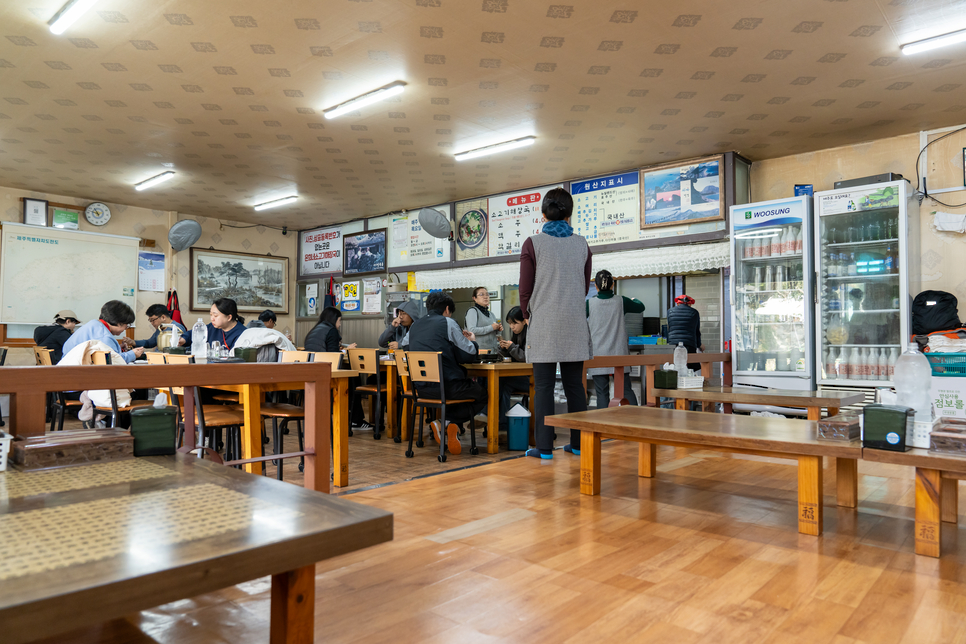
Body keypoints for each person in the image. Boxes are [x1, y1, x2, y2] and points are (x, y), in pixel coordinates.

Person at [519, 187, 592, 459]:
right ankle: (578, 444)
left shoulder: (532, 243)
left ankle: (545, 448)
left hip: (544, 322)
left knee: (544, 387)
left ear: (543, 213)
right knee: (575, 386)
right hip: (574, 321)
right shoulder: (582, 244)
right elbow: (584, 286)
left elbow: (525, 290)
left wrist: (528, 316)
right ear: (569, 214)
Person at [401, 291, 486, 455]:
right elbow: (468, 354)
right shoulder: (448, 322)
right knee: (481, 394)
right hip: (448, 386)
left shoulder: (415, 326)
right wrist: (473, 341)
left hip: (421, 389)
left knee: (463, 391)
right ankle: (446, 422)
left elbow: (406, 348)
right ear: (447, 309)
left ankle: (446, 424)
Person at [304, 307, 369, 429]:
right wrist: (347, 350)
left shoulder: (314, 330)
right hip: (325, 373)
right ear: (334, 320)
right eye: (339, 320)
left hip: (312, 373)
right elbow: (333, 356)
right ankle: (356, 420)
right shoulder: (331, 330)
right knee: (354, 378)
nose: (340, 324)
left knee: (352, 377)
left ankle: (353, 418)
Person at [587, 270, 644, 408]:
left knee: (601, 393)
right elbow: (640, 306)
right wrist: (633, 299)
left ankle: (604, 426)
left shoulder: (590, 303)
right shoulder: (621, 301)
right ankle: (635, 420)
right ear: (612, 285)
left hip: (598, 354)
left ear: (596, 286)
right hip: (619, 354)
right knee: (625, 390)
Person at [61, 300, 144, 364]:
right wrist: (133, 354)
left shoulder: (94, 324)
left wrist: (117, 348)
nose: (126, 329)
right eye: (127, 325)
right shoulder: (104, 337)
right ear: (119, 323)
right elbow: (114, 362)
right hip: (77, 374)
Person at [496, 306, 532, 437]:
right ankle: (501, 423)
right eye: (510, 324)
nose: (512, 327)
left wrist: (511, 347)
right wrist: (503, 350)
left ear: (524, 321)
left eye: (515, 323)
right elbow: (511, 358)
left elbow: (526, 357)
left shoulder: (531, 334)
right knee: (501, 383)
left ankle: (494, 419)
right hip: (518, 377)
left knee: (502, 381)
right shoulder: (516, 335)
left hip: (531, 379)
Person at [179, 298, 246, 350]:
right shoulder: (212, 327)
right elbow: (194, 333)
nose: (212, 319)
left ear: (229, 317)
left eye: (215, 316)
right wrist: (183, 339)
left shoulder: (243, 333)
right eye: (211, 315)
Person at [666, 294, 703, 371]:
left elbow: (669, 328)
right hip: (689, 343)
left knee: (675, 366)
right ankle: (690, 382)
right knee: (692, 367)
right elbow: (696, 331)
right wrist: (699, 345)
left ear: (678, 303)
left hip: (673, 343)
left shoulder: (670, 312)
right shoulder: (694, 312)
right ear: (689, 303)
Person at [464, 286, 502, 353]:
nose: (485, 297)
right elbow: (471, 330)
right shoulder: (473, 311)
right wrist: (491, 327)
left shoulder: (491, 314)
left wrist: (498, 329)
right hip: (479, 351)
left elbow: (494, 333)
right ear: (474, 298)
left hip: (493, 351)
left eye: (487, 294)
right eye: (481, 294)